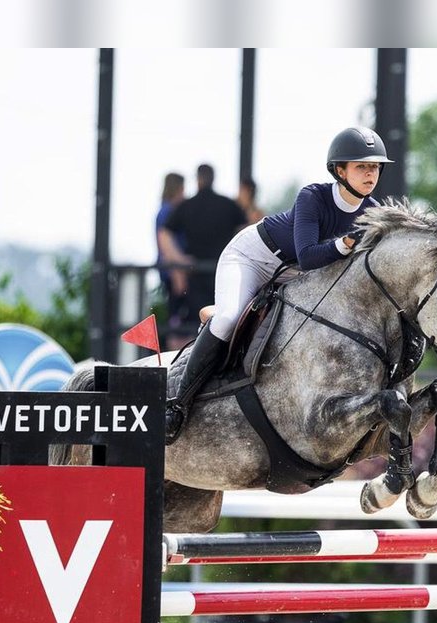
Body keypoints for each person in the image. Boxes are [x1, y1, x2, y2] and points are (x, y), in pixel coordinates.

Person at [165, 127, 392, 443]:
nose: (370, 174)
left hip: (293, 275)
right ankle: (177, 403)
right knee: (230, 318)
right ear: (340, 171)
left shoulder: (373, 212)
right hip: (252, 258)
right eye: (362, 167)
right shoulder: (313, 197)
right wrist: (347, 242)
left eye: (375, 167)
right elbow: (310, 256)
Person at [158, 164, 249, 346]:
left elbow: (164, 233)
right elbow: (247, 231)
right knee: (227, 324)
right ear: (213, 178)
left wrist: (179, 260)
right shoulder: (228, 205)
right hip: (225, 273)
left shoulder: (187, 205)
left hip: (196, 275)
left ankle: (194, 368)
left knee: (195, 328)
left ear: (197, 179)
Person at [154, 172, 189, 343]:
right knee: (178, 318)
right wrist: (179, 272)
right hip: (174, 272)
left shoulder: (163, 210)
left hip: (170, 271)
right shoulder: (169, 212)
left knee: (176, 316)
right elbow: (166, 245)